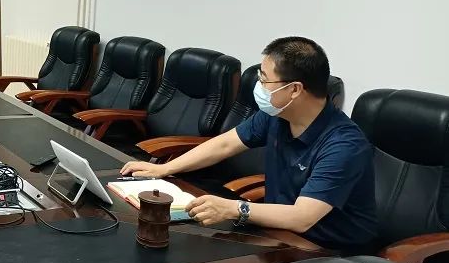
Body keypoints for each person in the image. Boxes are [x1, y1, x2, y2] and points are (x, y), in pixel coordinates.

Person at [120, 37, 377, 250]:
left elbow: (302, 217)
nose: (259, 86)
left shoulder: (344, 145)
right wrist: (164, 168)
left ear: (295, 89)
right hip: (276, 233)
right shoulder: (277, 115)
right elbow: (225, 144)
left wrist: (235, 209)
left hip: (329, 252)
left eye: (265, 80)